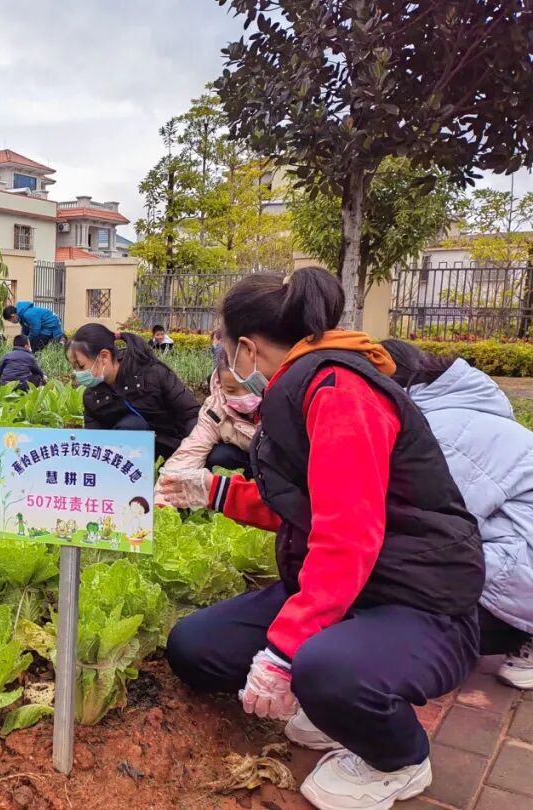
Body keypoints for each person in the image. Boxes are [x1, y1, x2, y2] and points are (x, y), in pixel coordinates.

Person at [159, 268, 483, 810]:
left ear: (244, 346)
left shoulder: (340, 391)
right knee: (196, 649)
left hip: (415, 599)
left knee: (326, 670)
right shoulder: (305, 384)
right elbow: (305, 501)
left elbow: (347, 533)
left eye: (223, 348)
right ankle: (329, 693)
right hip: (347, 591)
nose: (225, 364)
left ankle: (400, 758)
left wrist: (285, 651)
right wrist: (214, 493)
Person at [384, 339, 533, 689]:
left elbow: (430, 530)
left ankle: (512, 630)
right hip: (515, 551)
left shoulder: (444, 435)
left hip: (523, 565)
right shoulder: (454, 411)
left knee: (404, 572)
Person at [67, 324, 199, 461]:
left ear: (104, 356)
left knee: (133, 426)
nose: (77, 373)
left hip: (177, 450)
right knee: (131, 426)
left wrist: (190, 452)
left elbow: (191, 413)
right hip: (128, 464)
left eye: (81, 366)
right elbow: (94, 444)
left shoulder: (152, 373)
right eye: (74, 367)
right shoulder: (92, 397)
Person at [161, 344, 258, 478]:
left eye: (249, 387)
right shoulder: (215, 408)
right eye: (231, 390)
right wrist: (167, 487)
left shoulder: (280, 399)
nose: (242, 396)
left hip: (279, 463)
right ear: (219, 384)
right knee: (219, 455)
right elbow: (192, 450)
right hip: (247, 458)